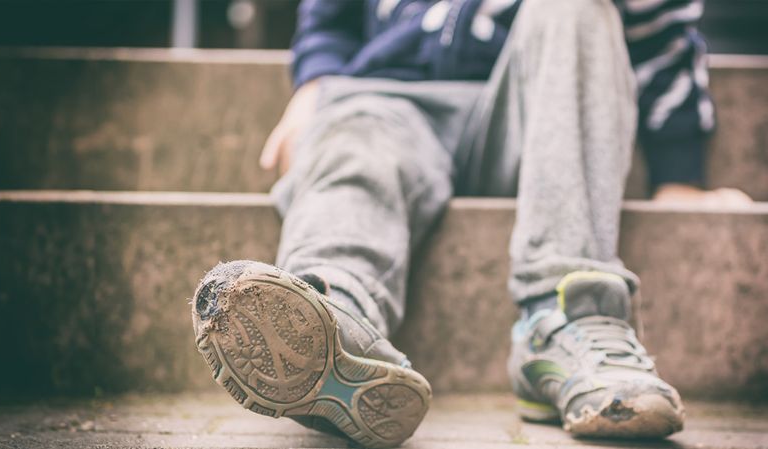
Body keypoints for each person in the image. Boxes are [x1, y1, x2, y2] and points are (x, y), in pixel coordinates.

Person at [190, 1, 750, 447]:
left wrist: (681, 171)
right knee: (354, 147)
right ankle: (333, 317)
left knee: (579, 7)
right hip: (389, 94)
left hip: (535, 107)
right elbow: (330, 12)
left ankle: (568, 318)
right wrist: (317, 80)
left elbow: (660, 25)